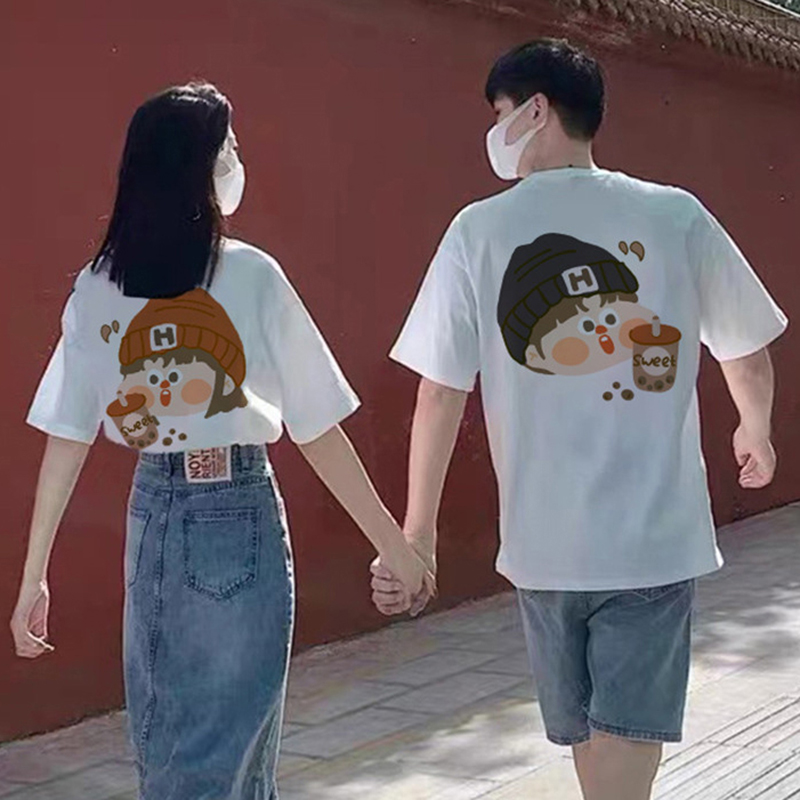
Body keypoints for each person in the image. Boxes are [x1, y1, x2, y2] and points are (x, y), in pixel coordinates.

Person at [371, 39, 788, 800]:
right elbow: (747, 349)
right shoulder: (675, 214)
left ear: (536, 110)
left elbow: (440, 391)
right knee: (620, 740)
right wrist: (753, 427)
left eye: (500, 112)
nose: (495, 131)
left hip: (544, 546)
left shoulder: (477, 231)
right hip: (653, 540)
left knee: (597, 740)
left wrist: (418, 532)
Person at [10, 82, 433, 800]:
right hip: (238, 506)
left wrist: (33, 577)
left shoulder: (98, 286)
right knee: (232, 752)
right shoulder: (250, 275)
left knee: (172, 744)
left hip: (152, 511)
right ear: (197, 166)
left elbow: (68, 434)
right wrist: (395, 546)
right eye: (229, 149)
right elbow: (317, 427)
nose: (238, 162)